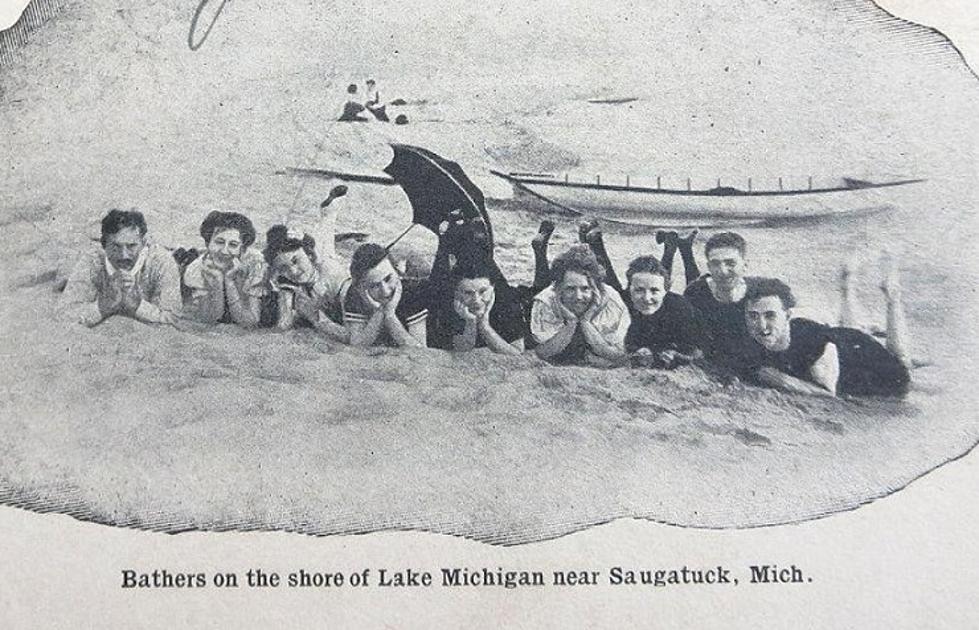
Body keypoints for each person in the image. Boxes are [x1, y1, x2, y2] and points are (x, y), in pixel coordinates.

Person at [741, 275, 911, 398]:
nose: (761, 325)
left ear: (787, 316)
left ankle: (893, 298)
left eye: (770, 316)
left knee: (902, 365)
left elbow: (828, 395)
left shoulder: (814, 345)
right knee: (846, 331)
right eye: (753, 316)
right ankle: (848, 289)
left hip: (862, 357)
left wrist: (783, 380)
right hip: (840, 338)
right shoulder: (754, 336)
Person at [59, 209, 181, 327]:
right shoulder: (92, 261)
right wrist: (105, 303)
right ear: (104, 244)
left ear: (144, 243)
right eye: (116, 246)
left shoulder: (161, 262)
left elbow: (174, 319)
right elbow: (63, 315)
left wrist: (137, 304)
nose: (124, 255)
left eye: (131, 246)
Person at [263, 193, 349, 341]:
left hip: (329, 268)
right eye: (283, 268)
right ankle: (327, 212)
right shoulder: (287, 280)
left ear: (309, 254)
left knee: (326, 249)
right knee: (323, 246)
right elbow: (284, 324)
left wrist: (315, 318)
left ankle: (328, 213)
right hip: (314, 262)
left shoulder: (334, 276)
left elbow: (352, 337)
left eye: (295, 261)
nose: (293, 271)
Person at [530, 244, 630, 366]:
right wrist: (571, 323)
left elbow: (618, 355)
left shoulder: (611, 301)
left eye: (585, 288)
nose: (578, 296)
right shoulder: (546, 300)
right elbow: (542, 353)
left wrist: (585, 321)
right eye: (570, 289)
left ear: (596, 287)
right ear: (559, 287)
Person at [680, 231, 760, 367]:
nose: (722, 271)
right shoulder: (695, 293)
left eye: (730, 263)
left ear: (745, 265)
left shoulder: (758, 294)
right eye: (715, 264)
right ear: (709, 267)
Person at [180, 211, 267, 327]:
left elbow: (250, 321)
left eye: (233, 245)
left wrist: (229, 281)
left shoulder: (255, 263)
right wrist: (217, 282)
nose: (224, 251)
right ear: (208, 243)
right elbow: (209, 319)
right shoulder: (197, 268)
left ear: (242, 249)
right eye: (219, 242)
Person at [623, 256, 704, 369]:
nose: (647, 298)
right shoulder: (622, 304)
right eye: (639, 290)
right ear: (629, 289)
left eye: (654, 290)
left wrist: (677, 356)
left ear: (665, 291)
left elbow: (697, 352)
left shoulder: (680, 309)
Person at [343, 243, 429, 348]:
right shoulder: (355, 294)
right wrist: (379, 312)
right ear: (361, 288)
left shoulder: (412, 292)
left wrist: (389, 315)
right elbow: (357, 345)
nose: (385, 291)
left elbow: (421, 351)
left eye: (388, 279)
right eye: (375, 285)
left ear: (397, 272)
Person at [438, 254, 525, 355]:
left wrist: (484, 325)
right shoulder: (450, 305)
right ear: (457, 292)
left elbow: (517, 352)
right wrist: (470, 322)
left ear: (493, 287)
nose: (476, 300)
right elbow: (460, 349)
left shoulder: (508, 302)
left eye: (483, 291)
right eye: (468, 293)